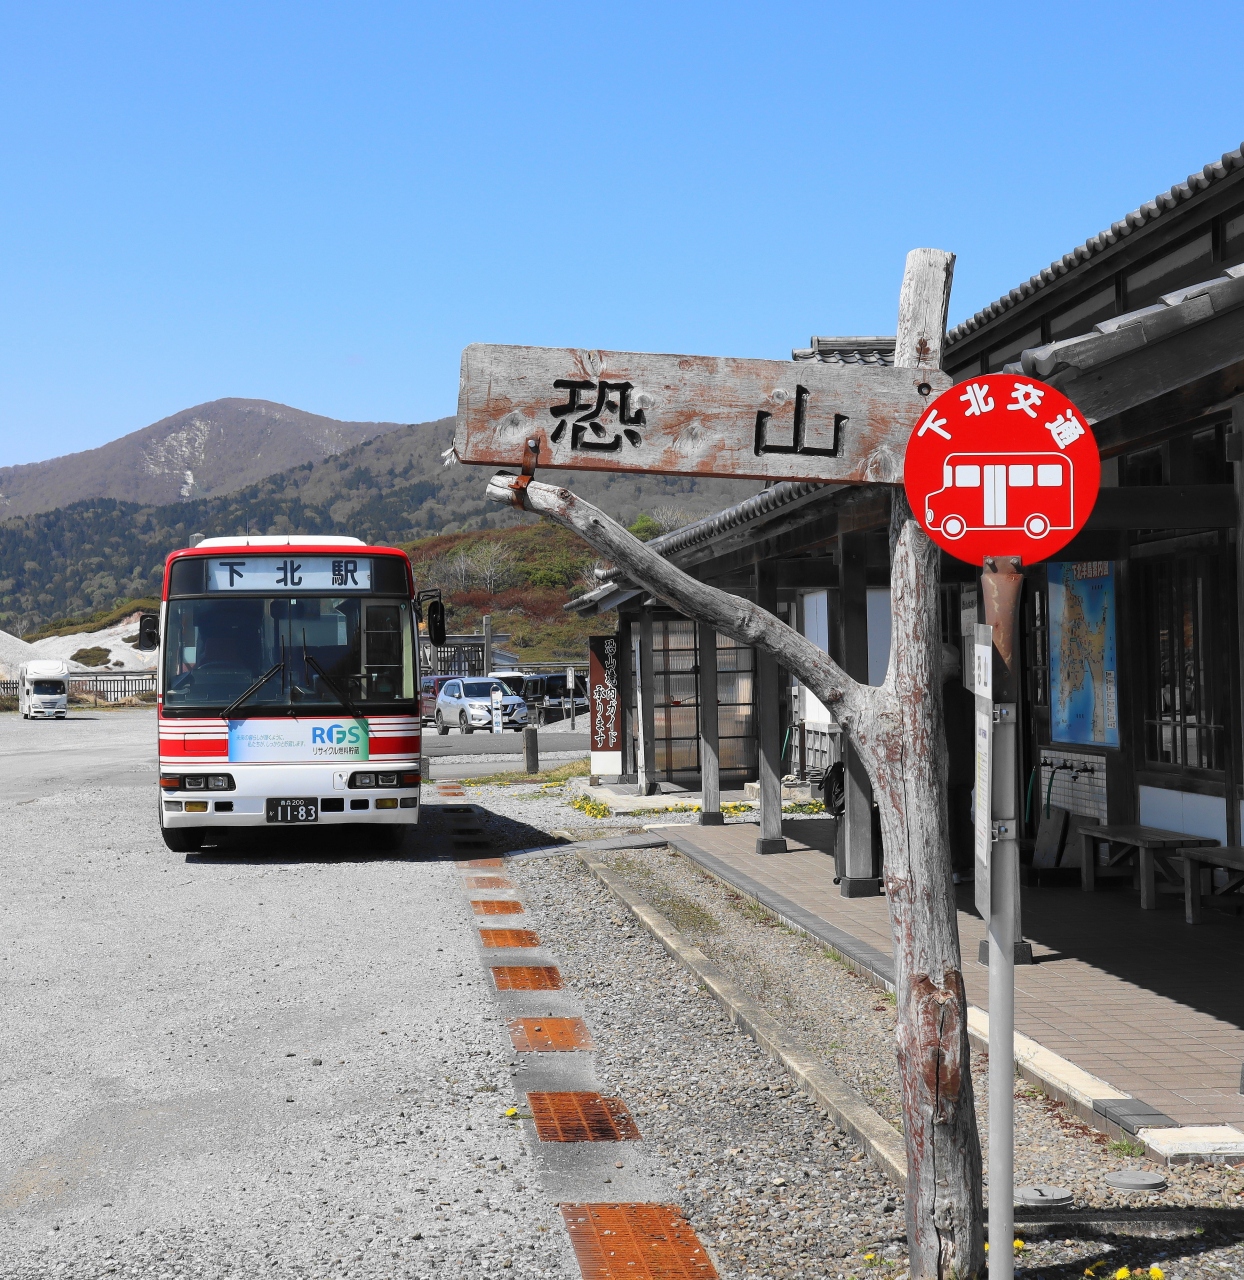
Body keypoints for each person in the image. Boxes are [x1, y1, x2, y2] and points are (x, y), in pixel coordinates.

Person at [942, 643, 975, 884]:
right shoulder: (969, 697)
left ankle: (953, 867)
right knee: (963, 815)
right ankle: (967, 866)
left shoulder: (935, 698)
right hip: (966, 767)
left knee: (948, 817)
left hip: (944, 767)